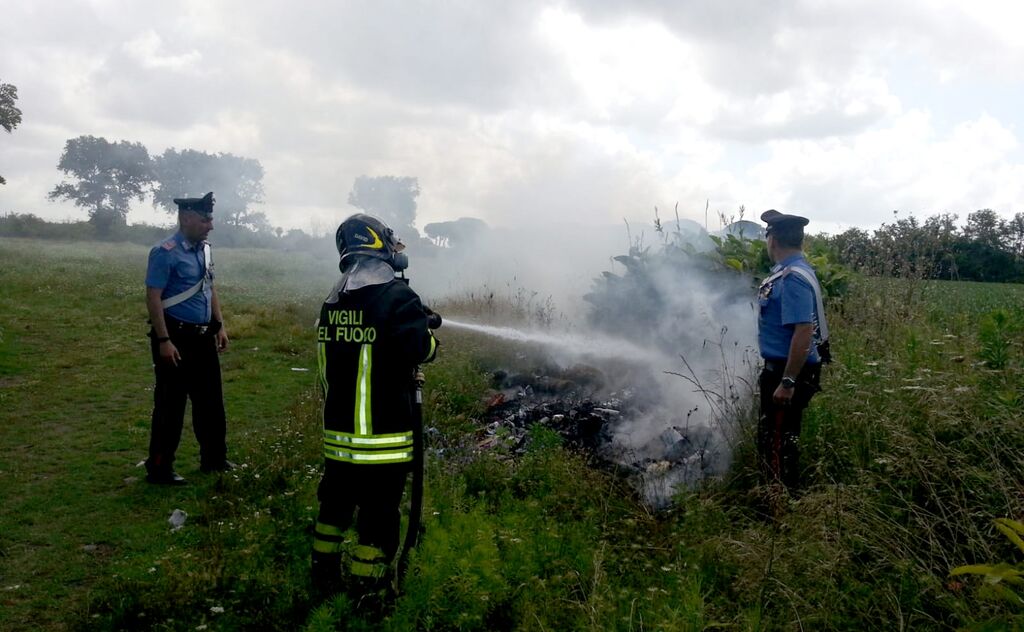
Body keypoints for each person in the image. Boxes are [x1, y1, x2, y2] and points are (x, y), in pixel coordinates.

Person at [311, 213, 439, 599]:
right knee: (378, 518)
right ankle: (367, 592)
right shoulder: (398, 297)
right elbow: (423, 349)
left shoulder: (334, 300)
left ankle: (323, 581)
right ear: (380, 247)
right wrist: (426, 328)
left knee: (333, 510)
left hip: (339, 439)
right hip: (383, 440)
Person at [144, 192, 234, 485]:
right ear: (186, 218)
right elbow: (154, 297)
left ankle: (214, 460)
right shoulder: (164, 252)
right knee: (170, 406)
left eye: (210, 219)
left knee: (211, 403)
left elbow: (210, 289)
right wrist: (163, 340)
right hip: (175, 338)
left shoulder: (205, 250)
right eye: (205, 219)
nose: (210, 225)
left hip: (202, 338)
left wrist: (218, 324)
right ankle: (159, 468)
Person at [756, 209, 829, 490]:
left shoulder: (792, 278)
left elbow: (803, 330)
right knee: (777, 437)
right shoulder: (796, 272)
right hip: (787, 372)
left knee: (776, 441)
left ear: (772, 239)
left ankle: (778, 505)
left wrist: (787, 382)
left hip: (786, 375)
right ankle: (778, 497)